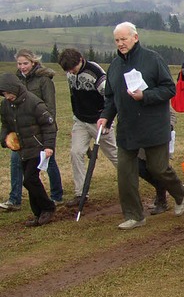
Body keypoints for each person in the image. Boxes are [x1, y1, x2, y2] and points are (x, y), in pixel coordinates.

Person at [97, 22, 184, 230]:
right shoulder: (114, 67)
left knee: (158, 168)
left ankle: (179, 192)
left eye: (124, 39)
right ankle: (134, 215)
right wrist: (105, 117)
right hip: (127, 129)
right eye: (117, 40)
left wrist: (145, 96)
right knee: (125, 172)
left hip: (154, 126)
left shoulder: (152, 59)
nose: (120, 44)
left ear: (135, 37)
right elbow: (111, 98)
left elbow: (169, 89)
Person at [0, 49, 63, 211]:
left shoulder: (43, 80)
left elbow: (50, 108)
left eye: (25, 63)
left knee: (49, 163)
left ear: (33, 62)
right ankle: (15, 199)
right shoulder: (15, 81)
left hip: (41, 131)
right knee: (16, 163)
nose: (22, 67)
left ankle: (56, 196)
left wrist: (47, 137)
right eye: (19, 63)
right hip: (21, 133)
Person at [57, 48, 119, 207]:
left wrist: (107, 120)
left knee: (115, 155)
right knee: (76, 153)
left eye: (73, 68)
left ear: (80, 60)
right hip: (80, 121)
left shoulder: (95, 73)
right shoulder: (70, 73)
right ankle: (81, 194)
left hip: (99, 121)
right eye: (68, 69)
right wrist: (75, 116)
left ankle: (131, 180)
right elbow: (74, 97)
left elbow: (110, 98)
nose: (71, 71)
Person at [0, 74, 57, 226]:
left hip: (38, 147)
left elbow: (49, 125)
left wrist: (48, 146)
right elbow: (5, 124)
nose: (7, 96)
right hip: (23, 149)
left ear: (15, 89)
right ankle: (38, 214)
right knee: (30, 180)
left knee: (30, 179)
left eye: (8, 93)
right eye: (3, 94)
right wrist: (5, 139)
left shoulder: (34, 102)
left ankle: (48, 207)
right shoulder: (6, 105)